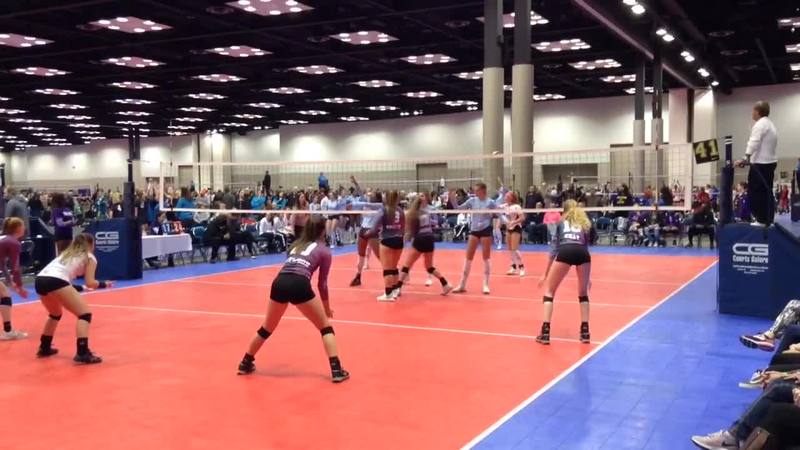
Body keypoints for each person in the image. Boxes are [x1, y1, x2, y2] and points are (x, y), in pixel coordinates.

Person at [236, 217, 349, 383]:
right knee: (326, 328)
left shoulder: (295, 245)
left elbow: (291, 265)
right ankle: (337, 370)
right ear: (322, 231)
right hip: (299, 283)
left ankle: (245, 362)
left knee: (266, 328)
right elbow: (322, 284)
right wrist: (326, 307)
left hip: (279, 282)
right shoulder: (324, 250)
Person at [34, 233, 112, 363]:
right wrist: (104, 284)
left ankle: (44, 347)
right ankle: (82, 352)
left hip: (40, 280)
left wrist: (81, 288)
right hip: (56, 281)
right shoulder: (89, 256)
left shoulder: (66, 254)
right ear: (91, 244)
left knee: (55, 314)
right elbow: (90, 282)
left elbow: (62, 280)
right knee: (84, 315)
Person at [536, 200, 592, 345]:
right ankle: (585, 332)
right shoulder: (583, 222)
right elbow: (585, 247)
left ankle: (545, 332)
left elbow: (553, 250)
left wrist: (545, 273)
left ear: (564, 211)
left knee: (549, 292)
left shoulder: (560, 223)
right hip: (583, 254)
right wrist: (588, 276)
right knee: (583, 293)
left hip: (566, 250)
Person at [396, 193, 452, 296]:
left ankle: (398, 288)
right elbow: (433, 223)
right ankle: (445, 284)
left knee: (407, 265)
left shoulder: (412, 214)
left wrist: (404, 241)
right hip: (429, 238)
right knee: (429, 267)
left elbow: (411, 231)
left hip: (421, 238)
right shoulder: (427, 213)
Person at [449, 182, 498, 295]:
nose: (475, 192)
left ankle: (486, 284)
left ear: (483, 190)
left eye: (477, 190)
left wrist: (508, 221)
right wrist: (452, 199)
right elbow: (458, 209)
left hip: (485, 230)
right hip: (474, 230)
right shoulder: (472, 201)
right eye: (474, 190)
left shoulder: (490, 202)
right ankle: (462, 284)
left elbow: (499, 214)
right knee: (468, 258)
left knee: (486, 258)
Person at [735, 101, 778, 226]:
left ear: (758, 111)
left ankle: (761, 220)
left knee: (756, 192)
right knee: (766, 192)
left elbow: (753, 142)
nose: (751, 113)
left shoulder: (760, 124)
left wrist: (745, 158)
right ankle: (768, 219)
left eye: (753, 110)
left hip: (761, 164)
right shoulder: (769, 124)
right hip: (769, 163)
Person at [0, 218, 29, 340]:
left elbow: (2, 264)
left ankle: (8, 330)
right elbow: (15, 268)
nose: (24, 228)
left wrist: (10, 281)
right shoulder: (14, 243)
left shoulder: (4, 238)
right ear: (17, 228)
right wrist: (20, 287)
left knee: (4, 294)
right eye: (23, 225)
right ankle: (8, 331)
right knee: (5, 295)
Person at [374, 191, 405, 302]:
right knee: (394, 267)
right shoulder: (400, 210)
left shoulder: (383, 210)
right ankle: (396, 290)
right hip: (399, 240)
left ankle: (388, 294)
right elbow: (403, 227)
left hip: (387, 240)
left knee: (387, 269)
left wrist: (369, 233)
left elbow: (375, 226)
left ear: (386, 198)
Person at [349, 185, 382, 287]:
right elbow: (360, 193)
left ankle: (395, 272)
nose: (370, 195)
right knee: (361, 255)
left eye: (373, 195)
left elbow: (366, 203)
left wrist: (355, 203)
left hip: (372, 231)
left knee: (380, 257)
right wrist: (355, 183)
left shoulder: (380, 206)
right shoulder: (366, 202)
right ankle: (358, 277)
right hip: (363, 230)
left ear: (376, 198)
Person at [504, 192, 526, 276]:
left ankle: (521, 267)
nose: (505, 197)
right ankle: (513, 267)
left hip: (516, 227)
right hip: (508, 228)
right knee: (510, 249)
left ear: (511, 198)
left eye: (507, 196)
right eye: (505, 196)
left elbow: (522, 218)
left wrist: (514, 222)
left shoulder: (517, 206)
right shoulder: (505, 206)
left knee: (514, 249)